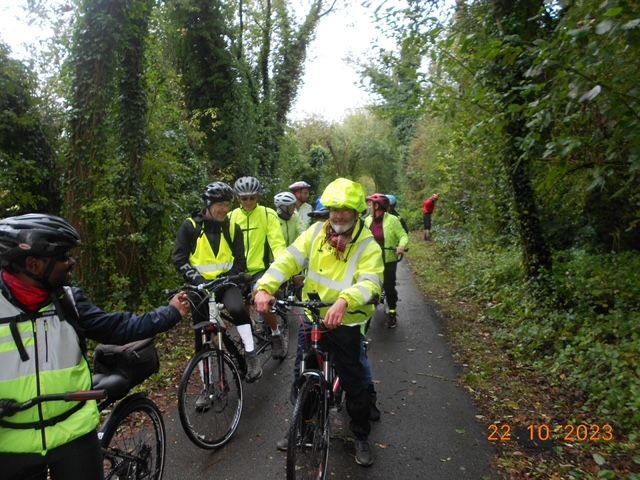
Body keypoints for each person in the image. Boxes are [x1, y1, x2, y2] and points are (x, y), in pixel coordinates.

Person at [0, 213, 190, 480]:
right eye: (63, 257)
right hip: (11, 446)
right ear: (33, 264)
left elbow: (119, 328)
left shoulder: (69, 302)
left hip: (74, 433)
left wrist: (170, 313)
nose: (71, 263)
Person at [254, 177, 383, 467]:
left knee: (354, 382)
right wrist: (265, 286)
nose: (338, 215)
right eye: (334, 209)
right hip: (314, 315)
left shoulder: (367, 244)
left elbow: (371, 281)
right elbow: (288, 259)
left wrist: (345, 300)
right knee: (305, 372)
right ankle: (305, 426)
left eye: (345, 210)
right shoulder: (315, 233)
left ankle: (360, 435)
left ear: (356, 212)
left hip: (347, 321)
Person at [172, 181, 263, 382]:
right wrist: (196, 279)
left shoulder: (232, 228)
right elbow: (179, 258)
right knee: (201, 334)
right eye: (219, 204)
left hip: (226, 282)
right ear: (207, 204)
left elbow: (240, 262)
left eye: (227, 204)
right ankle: (207, 386)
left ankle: (250, 353)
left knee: (238, 309)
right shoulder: (191, 226)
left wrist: (230, 276)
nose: (224, 209)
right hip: (200, 286)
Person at [229, 176, 287, 360]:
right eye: (244, 198)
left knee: (262, 307)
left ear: (258, 197)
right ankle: (249, 345)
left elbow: (277, 244)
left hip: (260, 271)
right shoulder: (231, 217)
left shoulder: (267, 214)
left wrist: (283, 268)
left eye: (252, 198)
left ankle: (276, 333)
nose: (248, 202)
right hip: (238, 273)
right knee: (240, 311)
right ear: (238, 198)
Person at [365, 194, 409, 328]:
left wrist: (401, 246)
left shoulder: (393, 220)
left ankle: (392, 313)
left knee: (389, 287)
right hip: (372, 260)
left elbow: (403, 236)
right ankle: (366, 315)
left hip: (388, 259)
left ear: (377, 206)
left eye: (370, 204)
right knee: (369, 286)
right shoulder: (367, 220)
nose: (368, 206)